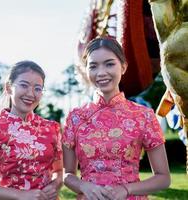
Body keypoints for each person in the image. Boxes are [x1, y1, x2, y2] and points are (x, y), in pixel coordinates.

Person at [62, 37, 170, 200]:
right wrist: (84, 186)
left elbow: (163, 178)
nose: (101, 72)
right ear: (87, 71)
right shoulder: (75, 117)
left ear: (124, 67)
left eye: (109, 64)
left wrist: (127, 189)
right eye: (93, 66)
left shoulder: (143, 115)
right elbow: (68, 174)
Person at [0, 60, 63, 200]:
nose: (31, 94)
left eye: (38, 88)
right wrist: (21, 195)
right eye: (24, 85)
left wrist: (55, 184)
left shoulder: (51, 128)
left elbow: (59, 171)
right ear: (8, 88)